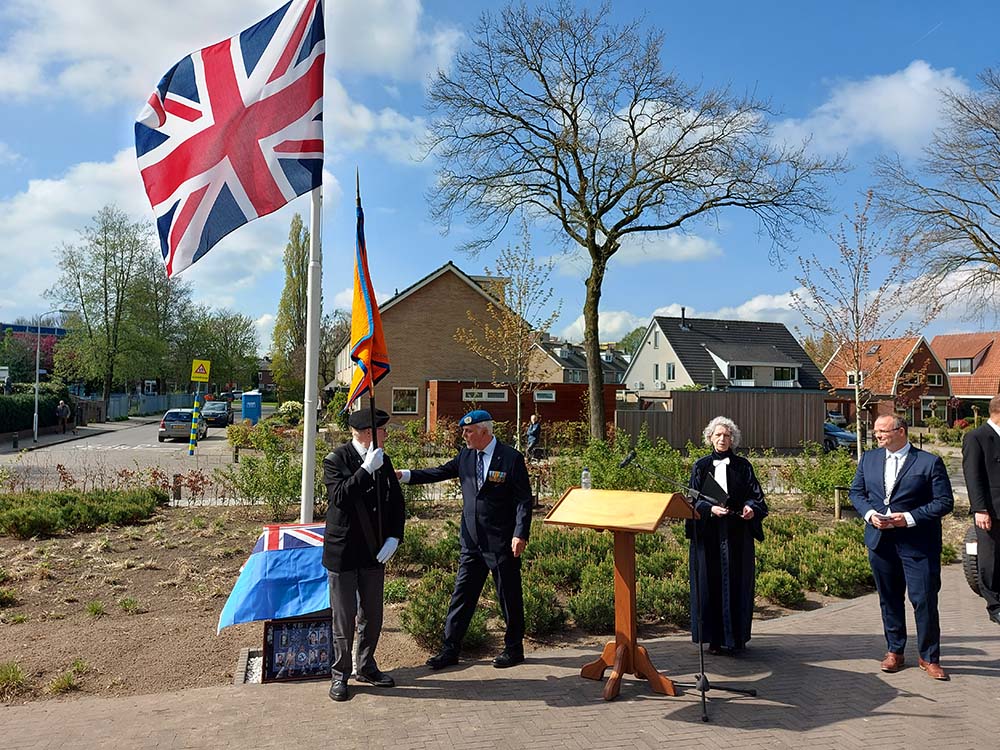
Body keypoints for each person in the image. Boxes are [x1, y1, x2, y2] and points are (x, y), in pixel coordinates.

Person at [397, 409, 533, 669]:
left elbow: (523, 500)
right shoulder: (466, 456)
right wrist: (404, 475)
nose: (464, 436)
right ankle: (450, 650)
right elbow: (438, 472)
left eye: (468, 431)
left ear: (484, 431)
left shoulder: (510, 458)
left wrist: (520, 533)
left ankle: (514, 649)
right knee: (462, 596)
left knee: (509, 596)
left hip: (502, 542)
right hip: (471, 542)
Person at [850, 415, 954, 680]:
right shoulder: (869, 459)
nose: (878, 436)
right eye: (875, 432)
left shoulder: (929, 462)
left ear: (901, 431)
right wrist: (870, 514)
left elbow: (944, 502)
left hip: (918, 544)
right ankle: (894, 651)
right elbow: (857, 493)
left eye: (882, 431)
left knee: (924, 600)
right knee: (890, 599)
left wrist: (908, 519)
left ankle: (929, 657)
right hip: (880, 540)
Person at [322, 407, 406, 702]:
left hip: (374, 551)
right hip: (343, 552)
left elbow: (396, 503)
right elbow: (340, 498)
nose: (386, 434)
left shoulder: (383, 460)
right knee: (343, 619)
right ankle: (340, 675)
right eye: (382, 430)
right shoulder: (336, 459)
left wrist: (395, 536)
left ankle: (366, 666)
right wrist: (365, 470)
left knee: (372, 615)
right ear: (368, 432)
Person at [686, 416, 768, 654]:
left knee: (737, 584)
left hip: (737, 534)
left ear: (733, 439)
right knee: (710, 584)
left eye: (727, 435)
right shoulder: (700, 466)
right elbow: (692, 500)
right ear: (710, 438)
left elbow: (756, 496)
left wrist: (751, 508)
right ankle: (713, 640)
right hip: (709, 535)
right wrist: (709, 509)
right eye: (718, 435)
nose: (722, 439)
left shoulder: (743, 466)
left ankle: (736, 638)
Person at [962, 395, 1000, 626]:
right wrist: (979, 509)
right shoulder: (976, 437)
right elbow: (973, 476)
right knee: (990, 558)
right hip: (991, 509)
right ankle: (994, 604)